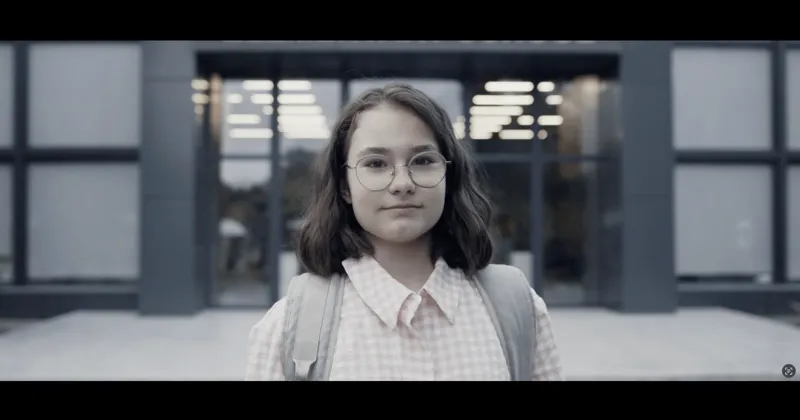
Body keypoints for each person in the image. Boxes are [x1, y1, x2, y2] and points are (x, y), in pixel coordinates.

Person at [245, 83, 562, 381]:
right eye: (376, 164)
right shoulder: (287, 328)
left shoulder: (518, 309)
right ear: (344, 187)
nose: (402, 184)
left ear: (449, 176)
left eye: (422, 161)